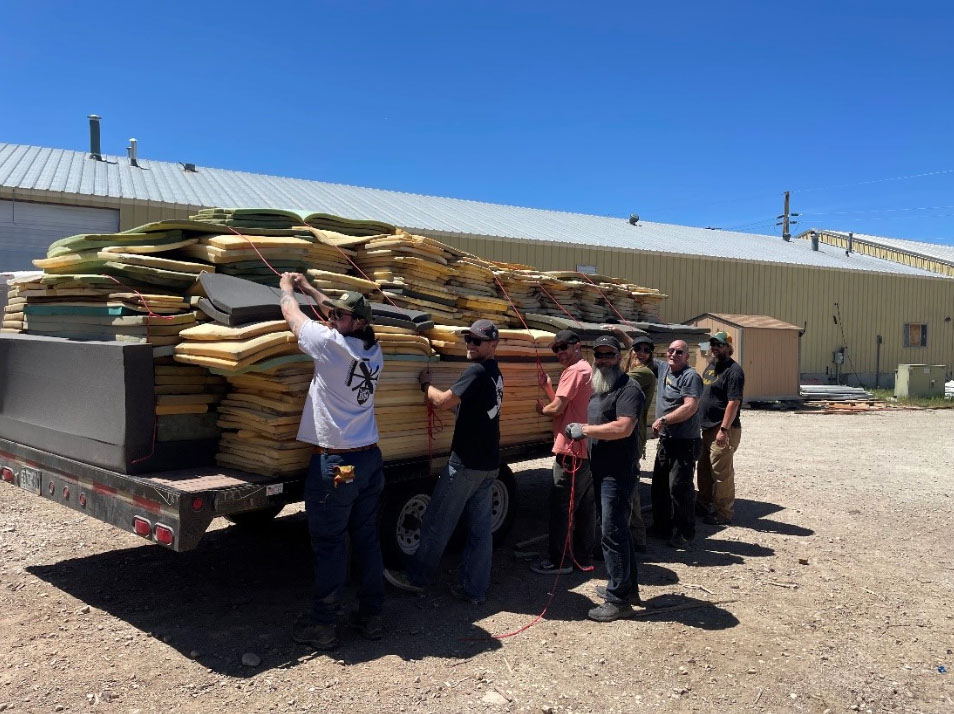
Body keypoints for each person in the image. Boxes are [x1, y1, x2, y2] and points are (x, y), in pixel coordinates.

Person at [278, 273, 385, 651]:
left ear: (356, 322)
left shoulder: (328, 345)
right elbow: (339, 315)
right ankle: (372, 616)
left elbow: (292, 317)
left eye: (340, 316)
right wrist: (313, 290)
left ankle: (323, 624)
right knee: (367, 539)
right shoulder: (374, 350)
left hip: (341, 465)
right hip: (369, 458)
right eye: (333, 313)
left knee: (330, 542)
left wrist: (290, 291)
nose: (331, 318)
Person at [385, 319, 504, 604]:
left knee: (437, 521)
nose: (471, 345)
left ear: (493, 345)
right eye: (469, 339)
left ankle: (417, 578)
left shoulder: (476, 370)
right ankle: (475, 590)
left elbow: (443, 401)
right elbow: (475, 411)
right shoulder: (494, 373)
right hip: (488, 464)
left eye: (478, 341)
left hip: (465, 464)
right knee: (479, 531)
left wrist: (426, 385)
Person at [564, 335, 644, 622]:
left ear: (620, 357)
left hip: (618, 472)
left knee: (612, 533)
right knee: (616, 530)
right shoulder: (601, 387)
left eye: (609, 354)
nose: (603, 359)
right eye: (598, 354)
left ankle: (619, 600)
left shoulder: (628, 389)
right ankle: (626, 587)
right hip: (602, 469)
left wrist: (584, 430)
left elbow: (623, 427)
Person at [530, 329, 596, 576]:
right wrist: (548, 387)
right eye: (556, 349)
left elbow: (557, 409)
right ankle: (583, 558)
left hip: (571, 452)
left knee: (561, 507)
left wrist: (540, 410)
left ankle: (558, 561)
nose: (559, 353)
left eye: (563, 347)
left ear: (577, 345)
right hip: (586, 450)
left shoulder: (574, 371)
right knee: (585, 508)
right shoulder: (587, 370)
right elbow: (566, 406)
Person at [650, 339, 703, 549]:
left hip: (685, 441)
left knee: (679, 488)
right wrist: (620, 332)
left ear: (686, 356)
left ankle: (685, 532)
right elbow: (641, 350)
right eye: (671, 350)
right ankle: (662, 527)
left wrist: (664, 420)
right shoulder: (663, 369)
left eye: (679, 352)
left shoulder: (690, 376)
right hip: (667, 440)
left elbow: (690, 407)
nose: (674, 354)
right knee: (660, 485)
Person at [696, 331, 745, 526]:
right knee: (704, 468)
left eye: (720, 344)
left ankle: (724, 512)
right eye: (713, 344)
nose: (715, 348)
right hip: (707, 427)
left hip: (723, 428)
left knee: (721, 473)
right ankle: (704, 503)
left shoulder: (734, 371)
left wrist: (723, 430)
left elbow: (734, 402)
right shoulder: (711, 366)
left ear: (729, 347)